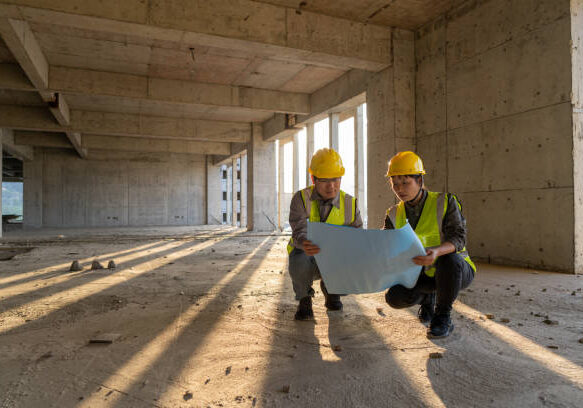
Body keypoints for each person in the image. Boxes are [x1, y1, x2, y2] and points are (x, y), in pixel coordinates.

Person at [383, 151, 476, 338]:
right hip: (421, 274)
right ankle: (428, 298)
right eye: (395, 184)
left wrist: (436, 252)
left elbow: (459, 238)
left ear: (419, 180)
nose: (400, 189)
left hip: (454, 271)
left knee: (448, 259)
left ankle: (442, 316)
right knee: (394, 297)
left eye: (405, 182)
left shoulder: (445, 202)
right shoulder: (393, 214)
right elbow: (387, 245)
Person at [287, 148, 363, 320]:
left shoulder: (350, 203)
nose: (331, 186)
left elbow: (358, 236)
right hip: (308, 255)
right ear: (313, 179)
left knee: (354, 264)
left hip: (336, 257)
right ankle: (305, 299)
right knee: (299, 260)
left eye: (336, 179)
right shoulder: (301, 199)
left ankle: (332, 291)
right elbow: (298, 230)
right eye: (325, 181)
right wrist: (305, 241)